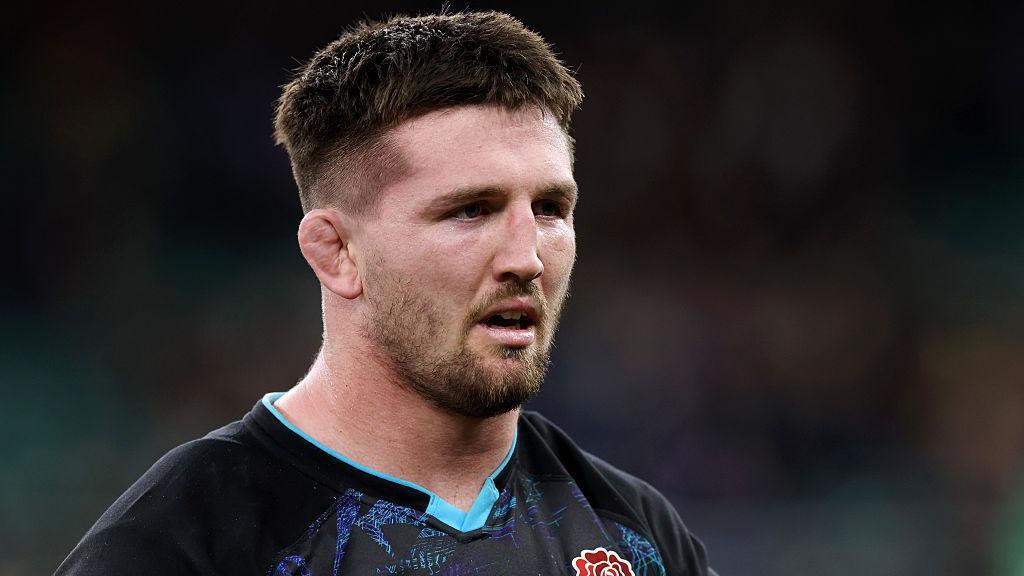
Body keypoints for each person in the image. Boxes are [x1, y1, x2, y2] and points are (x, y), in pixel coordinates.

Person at [56, 11, 714, 576]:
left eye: (549, 208)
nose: (527, 258)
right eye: (471, 210)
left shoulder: (634, 532)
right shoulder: (183, 543)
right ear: (337, 254)